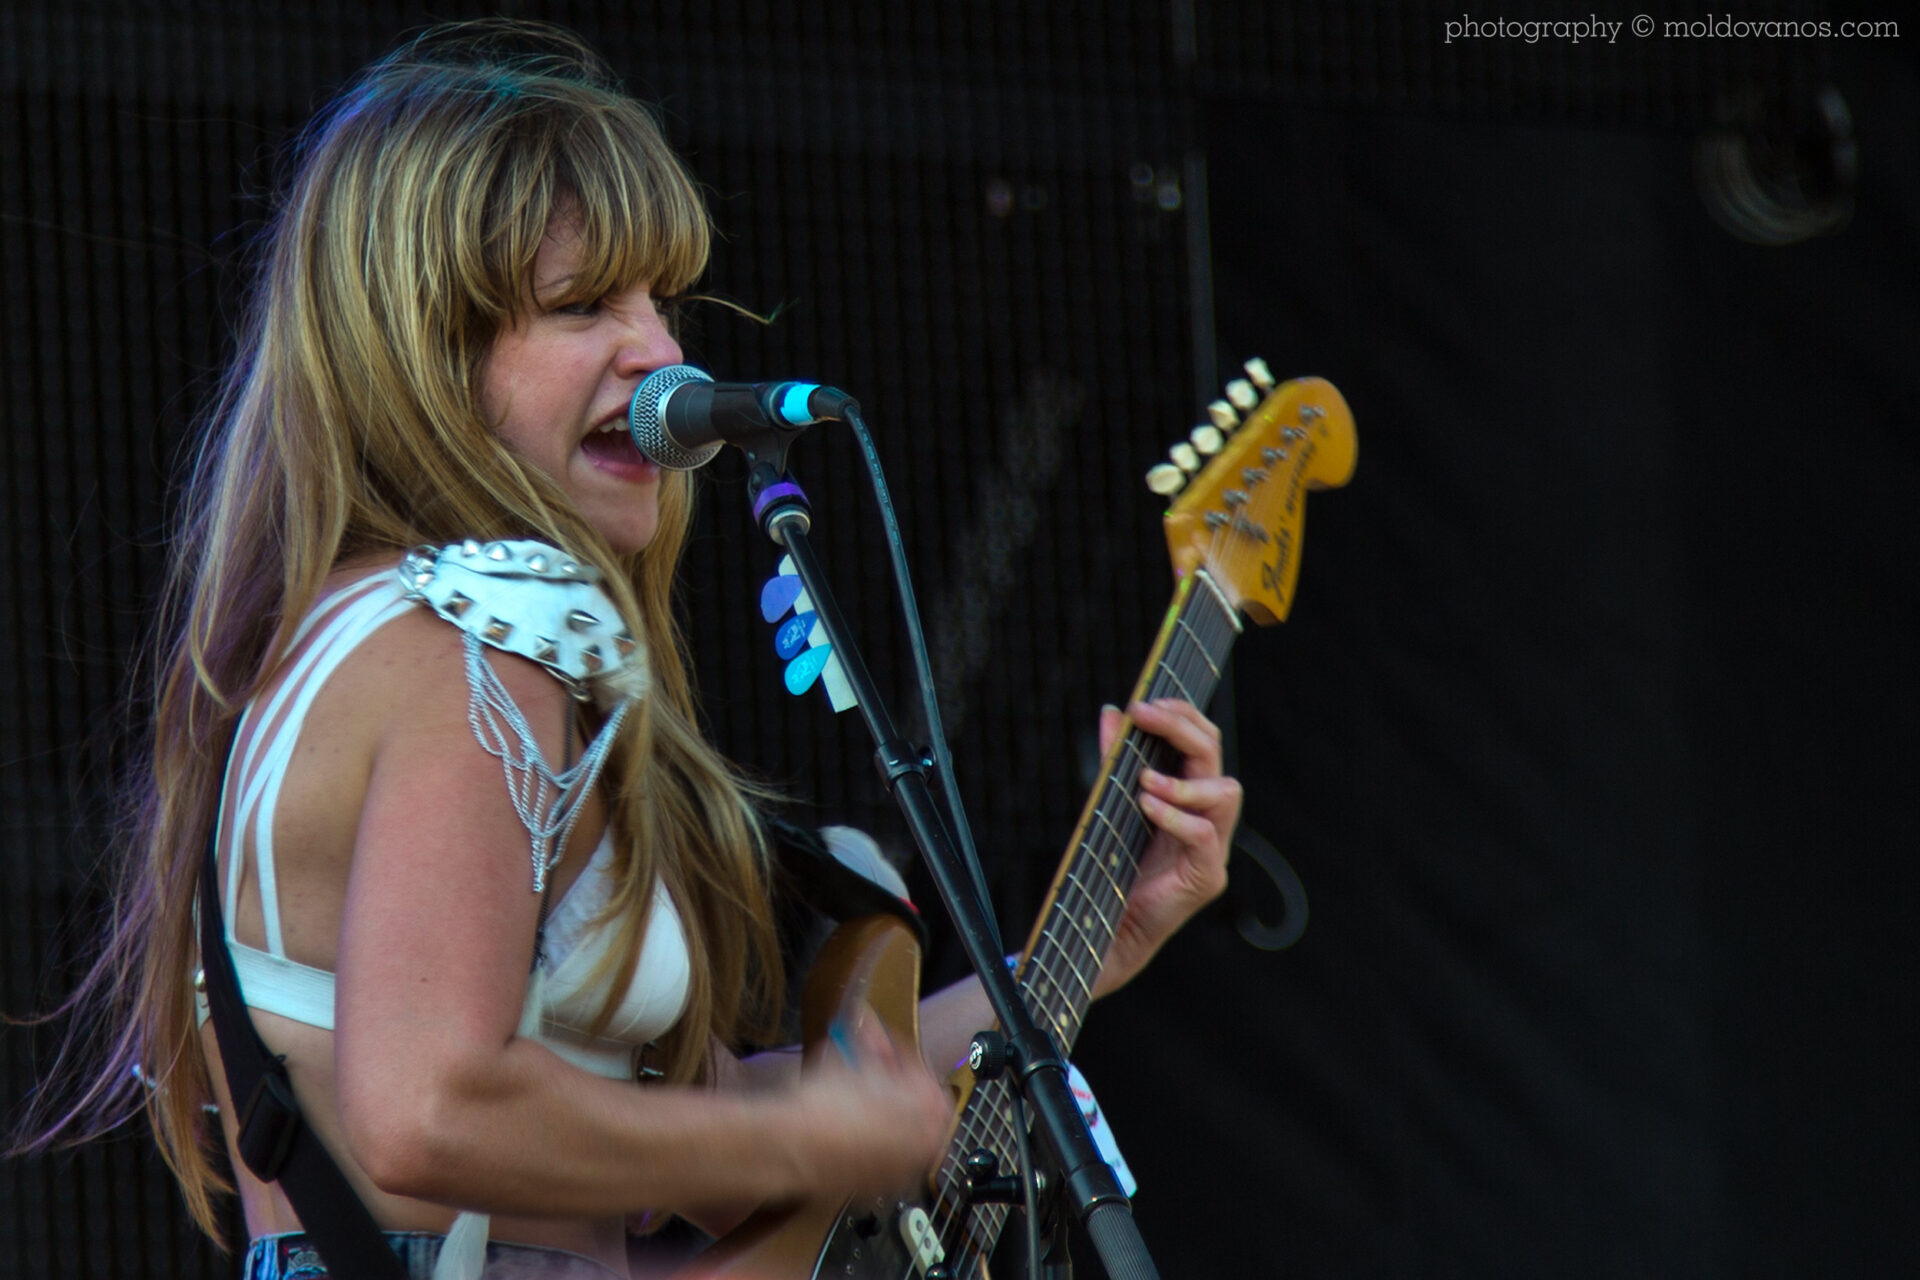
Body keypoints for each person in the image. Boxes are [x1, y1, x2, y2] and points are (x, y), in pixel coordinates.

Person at [11, 20, 1240, 1280]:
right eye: (582, 305)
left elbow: (667, 1115)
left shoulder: (365, 636)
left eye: (663, 301)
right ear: (418, 351)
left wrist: (1093, 948)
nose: (660, 354)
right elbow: (428, 1109)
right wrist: (811, 1140)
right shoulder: (473, 642)